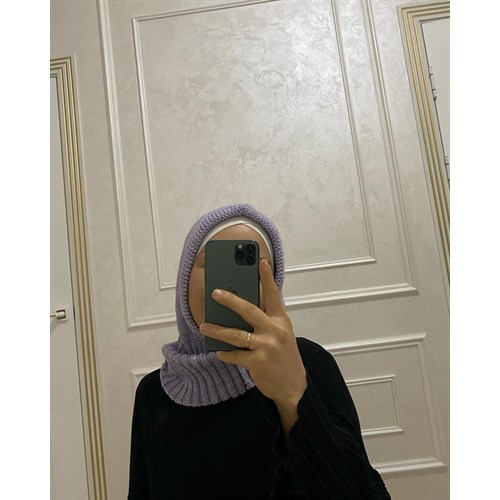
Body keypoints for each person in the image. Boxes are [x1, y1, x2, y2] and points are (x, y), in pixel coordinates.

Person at [128, 203, 391, 499]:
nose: (229, 285)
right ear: (184, 280)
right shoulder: (153, 392)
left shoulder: (309, 362)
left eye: (252, 264)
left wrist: (293, 395)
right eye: (214, 263)